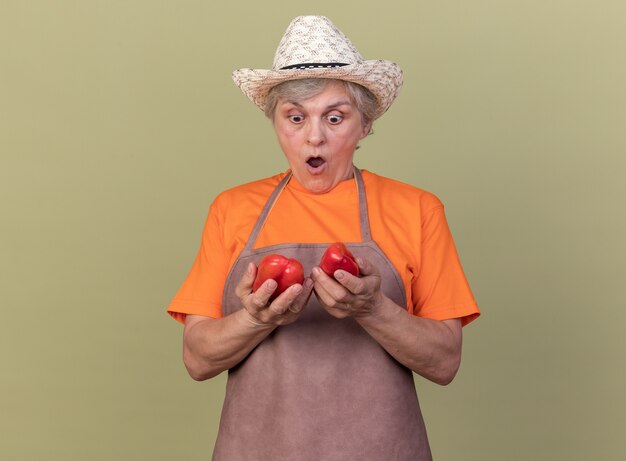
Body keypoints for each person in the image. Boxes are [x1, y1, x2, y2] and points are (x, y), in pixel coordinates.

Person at [167, 15, 480, 460]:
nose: (314, 136)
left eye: (335, 117)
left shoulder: (417, 209)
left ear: (364, 125)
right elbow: (197, 360)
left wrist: (372, 309)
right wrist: (256, 318)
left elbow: (445, 362)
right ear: (276, 124)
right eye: (295, 118)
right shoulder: (232, 209)